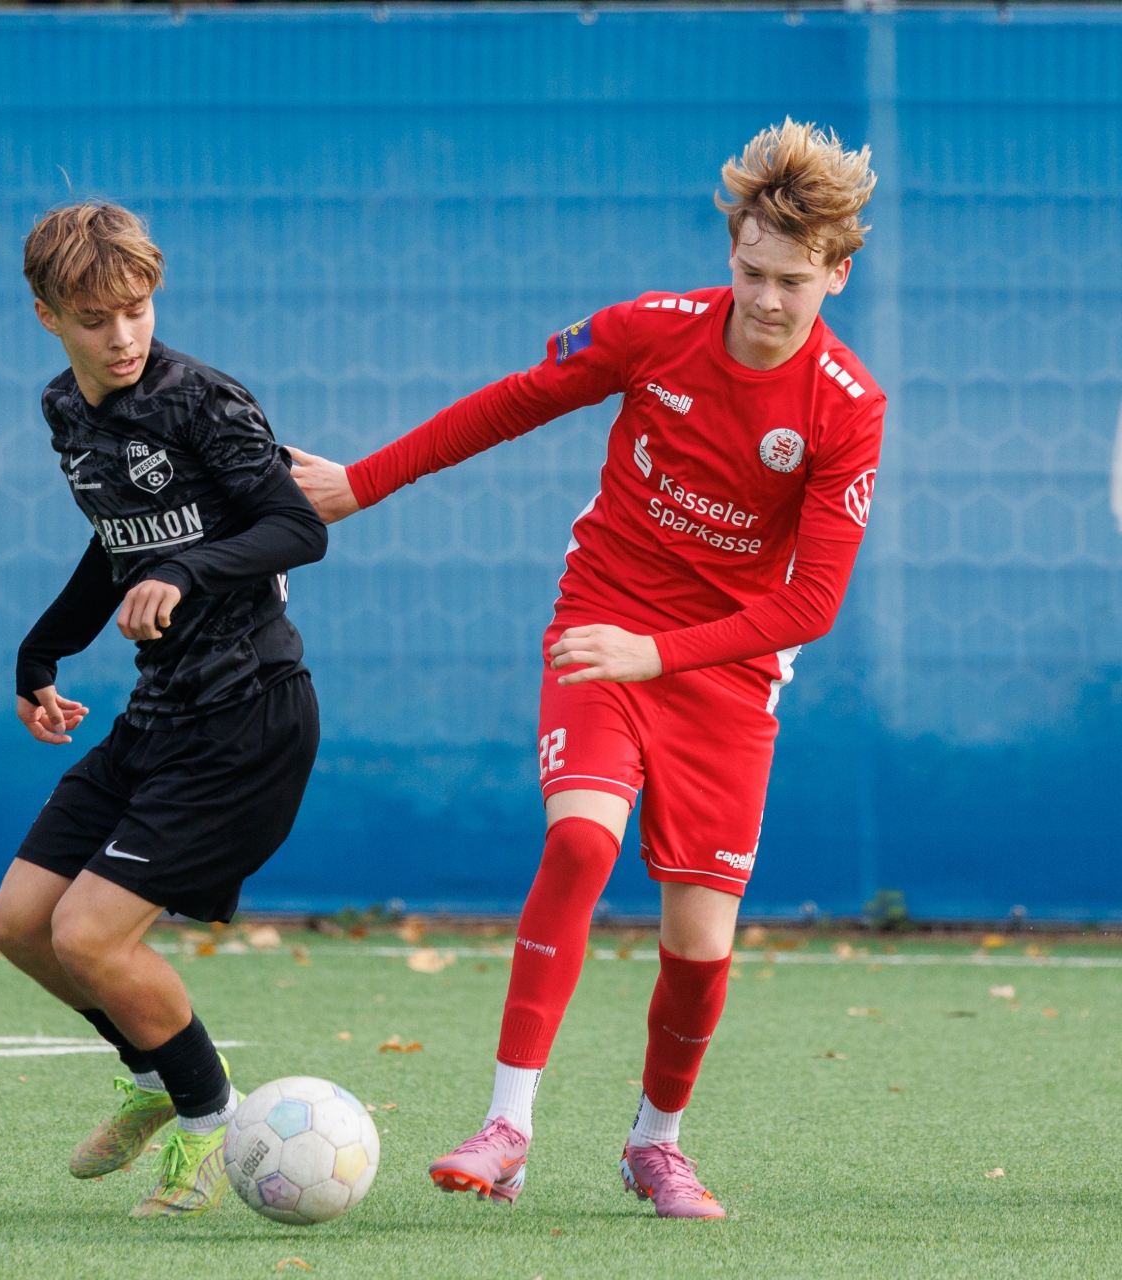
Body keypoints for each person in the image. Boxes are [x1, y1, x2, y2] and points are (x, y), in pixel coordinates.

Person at [289, 120, 884, 1219]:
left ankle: (655, 1144)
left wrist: (661, 653)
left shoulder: (847, 406)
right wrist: (361, 484)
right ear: (731, 251)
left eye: (793, 281)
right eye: (751, 270)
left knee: (699, 943)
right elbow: (512, 402)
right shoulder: (651, 331)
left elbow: (811, 604)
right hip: (602, 623)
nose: (765, 299)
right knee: (578, 839)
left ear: (837, 274)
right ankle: (507, 1126)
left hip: (726, 669)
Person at [0, 201, 327, 1218]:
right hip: (160, 713)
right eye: (95, 319)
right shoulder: (65, 409)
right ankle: (152, 1075)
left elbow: (297, 528)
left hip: (248, 716)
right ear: (48, 316)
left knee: (91, 935)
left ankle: (211, 1120)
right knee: (19, 923)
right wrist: (41, 650)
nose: (122, 336)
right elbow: (116, 543)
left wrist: (185, 569)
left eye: (136, 309)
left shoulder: (202, 400)